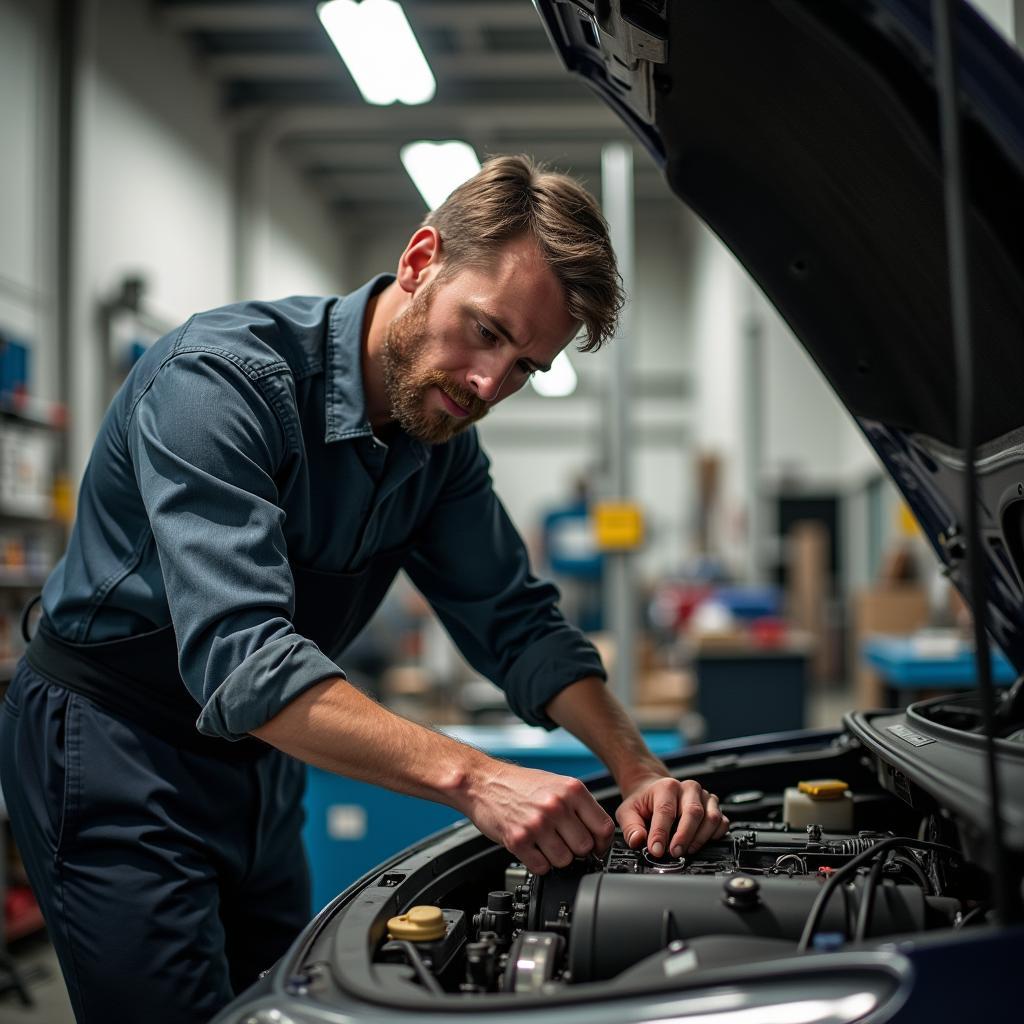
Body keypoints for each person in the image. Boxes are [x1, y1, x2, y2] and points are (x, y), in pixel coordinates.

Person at [0, 155, 727, 1023]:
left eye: (526, 366)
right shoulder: (219, 383)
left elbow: (518, 623)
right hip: (112, 743)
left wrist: (637, 768)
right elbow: (248, 664)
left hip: (259, 760)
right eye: (487, 331)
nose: (490, 385)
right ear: (421, 261)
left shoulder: (439, 447)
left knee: (280, 1003)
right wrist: (479, 779)